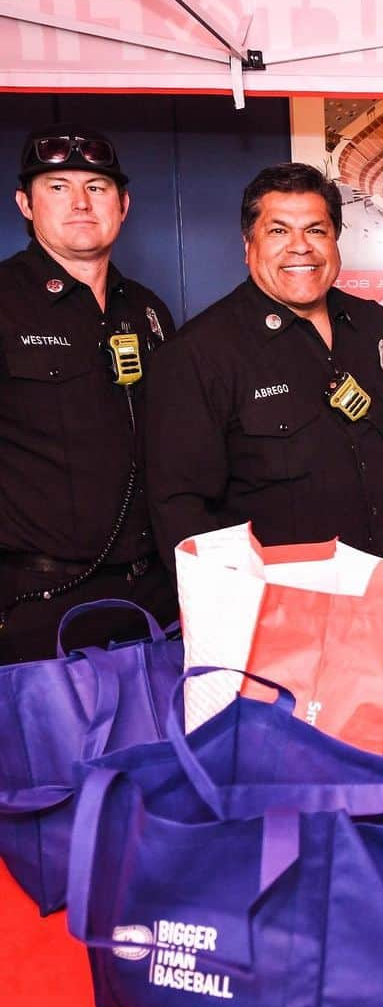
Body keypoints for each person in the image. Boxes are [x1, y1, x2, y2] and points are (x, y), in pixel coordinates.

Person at [146, 163, 383, 567]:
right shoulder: (200, 352)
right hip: (273, 614)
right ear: (247, 244)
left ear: (336, 239)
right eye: (278, 230)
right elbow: (181, 510)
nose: (300, 246)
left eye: (316, 230)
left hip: (378, 594)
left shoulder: (377, 327)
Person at [0, 123, 176, 662]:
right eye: (58, 187)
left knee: (155, 746)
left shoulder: (148, 310)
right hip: (39, 602)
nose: (80, 202)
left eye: (96, 188)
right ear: (25, 204)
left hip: (151, 598)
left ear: (122, 205)